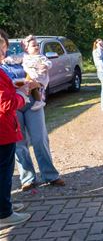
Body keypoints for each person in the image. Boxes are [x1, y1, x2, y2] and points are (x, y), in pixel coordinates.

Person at [0, 44, 64, 192]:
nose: (3, 49)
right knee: (19, 144)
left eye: (4, 44)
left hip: (32, 101)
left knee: (40, 139)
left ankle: (50, 175)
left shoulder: (27, 58)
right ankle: (27, 178)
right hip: (13, 105)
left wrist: (38, 82)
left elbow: (42, 73)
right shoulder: (3, 64)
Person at [0, 29, 31, 228]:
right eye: (1, 48)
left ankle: (5, 205)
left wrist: (13, 86)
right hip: (3, 130)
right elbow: (4, 103)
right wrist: (22, 96)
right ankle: (4, 213)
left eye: (4, 46)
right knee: (3, 172)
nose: (3, 52)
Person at [21, 35, 51, 111]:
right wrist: (7, 59)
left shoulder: (41, 57)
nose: (37, 47)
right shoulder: (24, 57)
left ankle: (39, 101)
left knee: (31, 85)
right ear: (26, 49)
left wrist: (45, 66)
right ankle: (28, 98)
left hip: (39, 77)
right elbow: (15, 58)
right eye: (33, 46)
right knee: (29, 86)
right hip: (31, 75)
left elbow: (49, 62)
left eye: (37, 45)